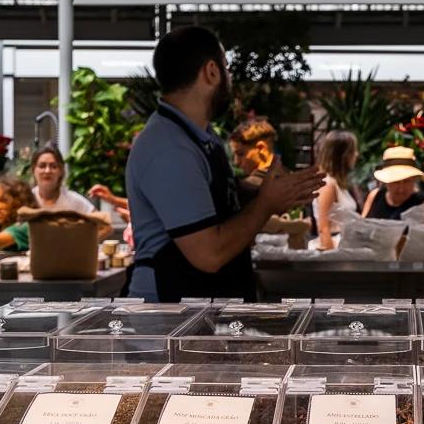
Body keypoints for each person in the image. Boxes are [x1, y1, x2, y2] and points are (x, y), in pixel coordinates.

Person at [125, 26, 323, 302]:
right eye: (226, 68)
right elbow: (208, 254)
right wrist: (266, 204)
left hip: (201, 311)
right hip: (171, 319)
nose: (229, 78)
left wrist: (262, 191)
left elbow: (214, 207)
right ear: (212, 71)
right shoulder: (168, 147)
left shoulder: (202, 137)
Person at [312, 130, 359, 250]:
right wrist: (331, 259)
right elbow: (323, 228)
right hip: (333, 248)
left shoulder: (341, 184)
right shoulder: (328, 185)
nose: (356, 154)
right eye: (353, 151)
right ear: (343, 155)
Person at [362, 146, 424, 220]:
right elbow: (362, 224)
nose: (401, 188)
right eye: (395, 182)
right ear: (386, 181)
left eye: (407, 181)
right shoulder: (375, 196)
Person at [28, 146, 94, 214]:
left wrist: (106, 198)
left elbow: (100, 221)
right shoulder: (26, 199)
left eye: (53, 166)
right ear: (33, 170)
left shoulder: (74, 200)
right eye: (42, 166)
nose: (47, 171)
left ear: (61, 171)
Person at [229, 118, 285, 188]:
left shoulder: (248, 189)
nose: (236, 162)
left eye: (240, 154)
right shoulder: (289, 177)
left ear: (261, 148)